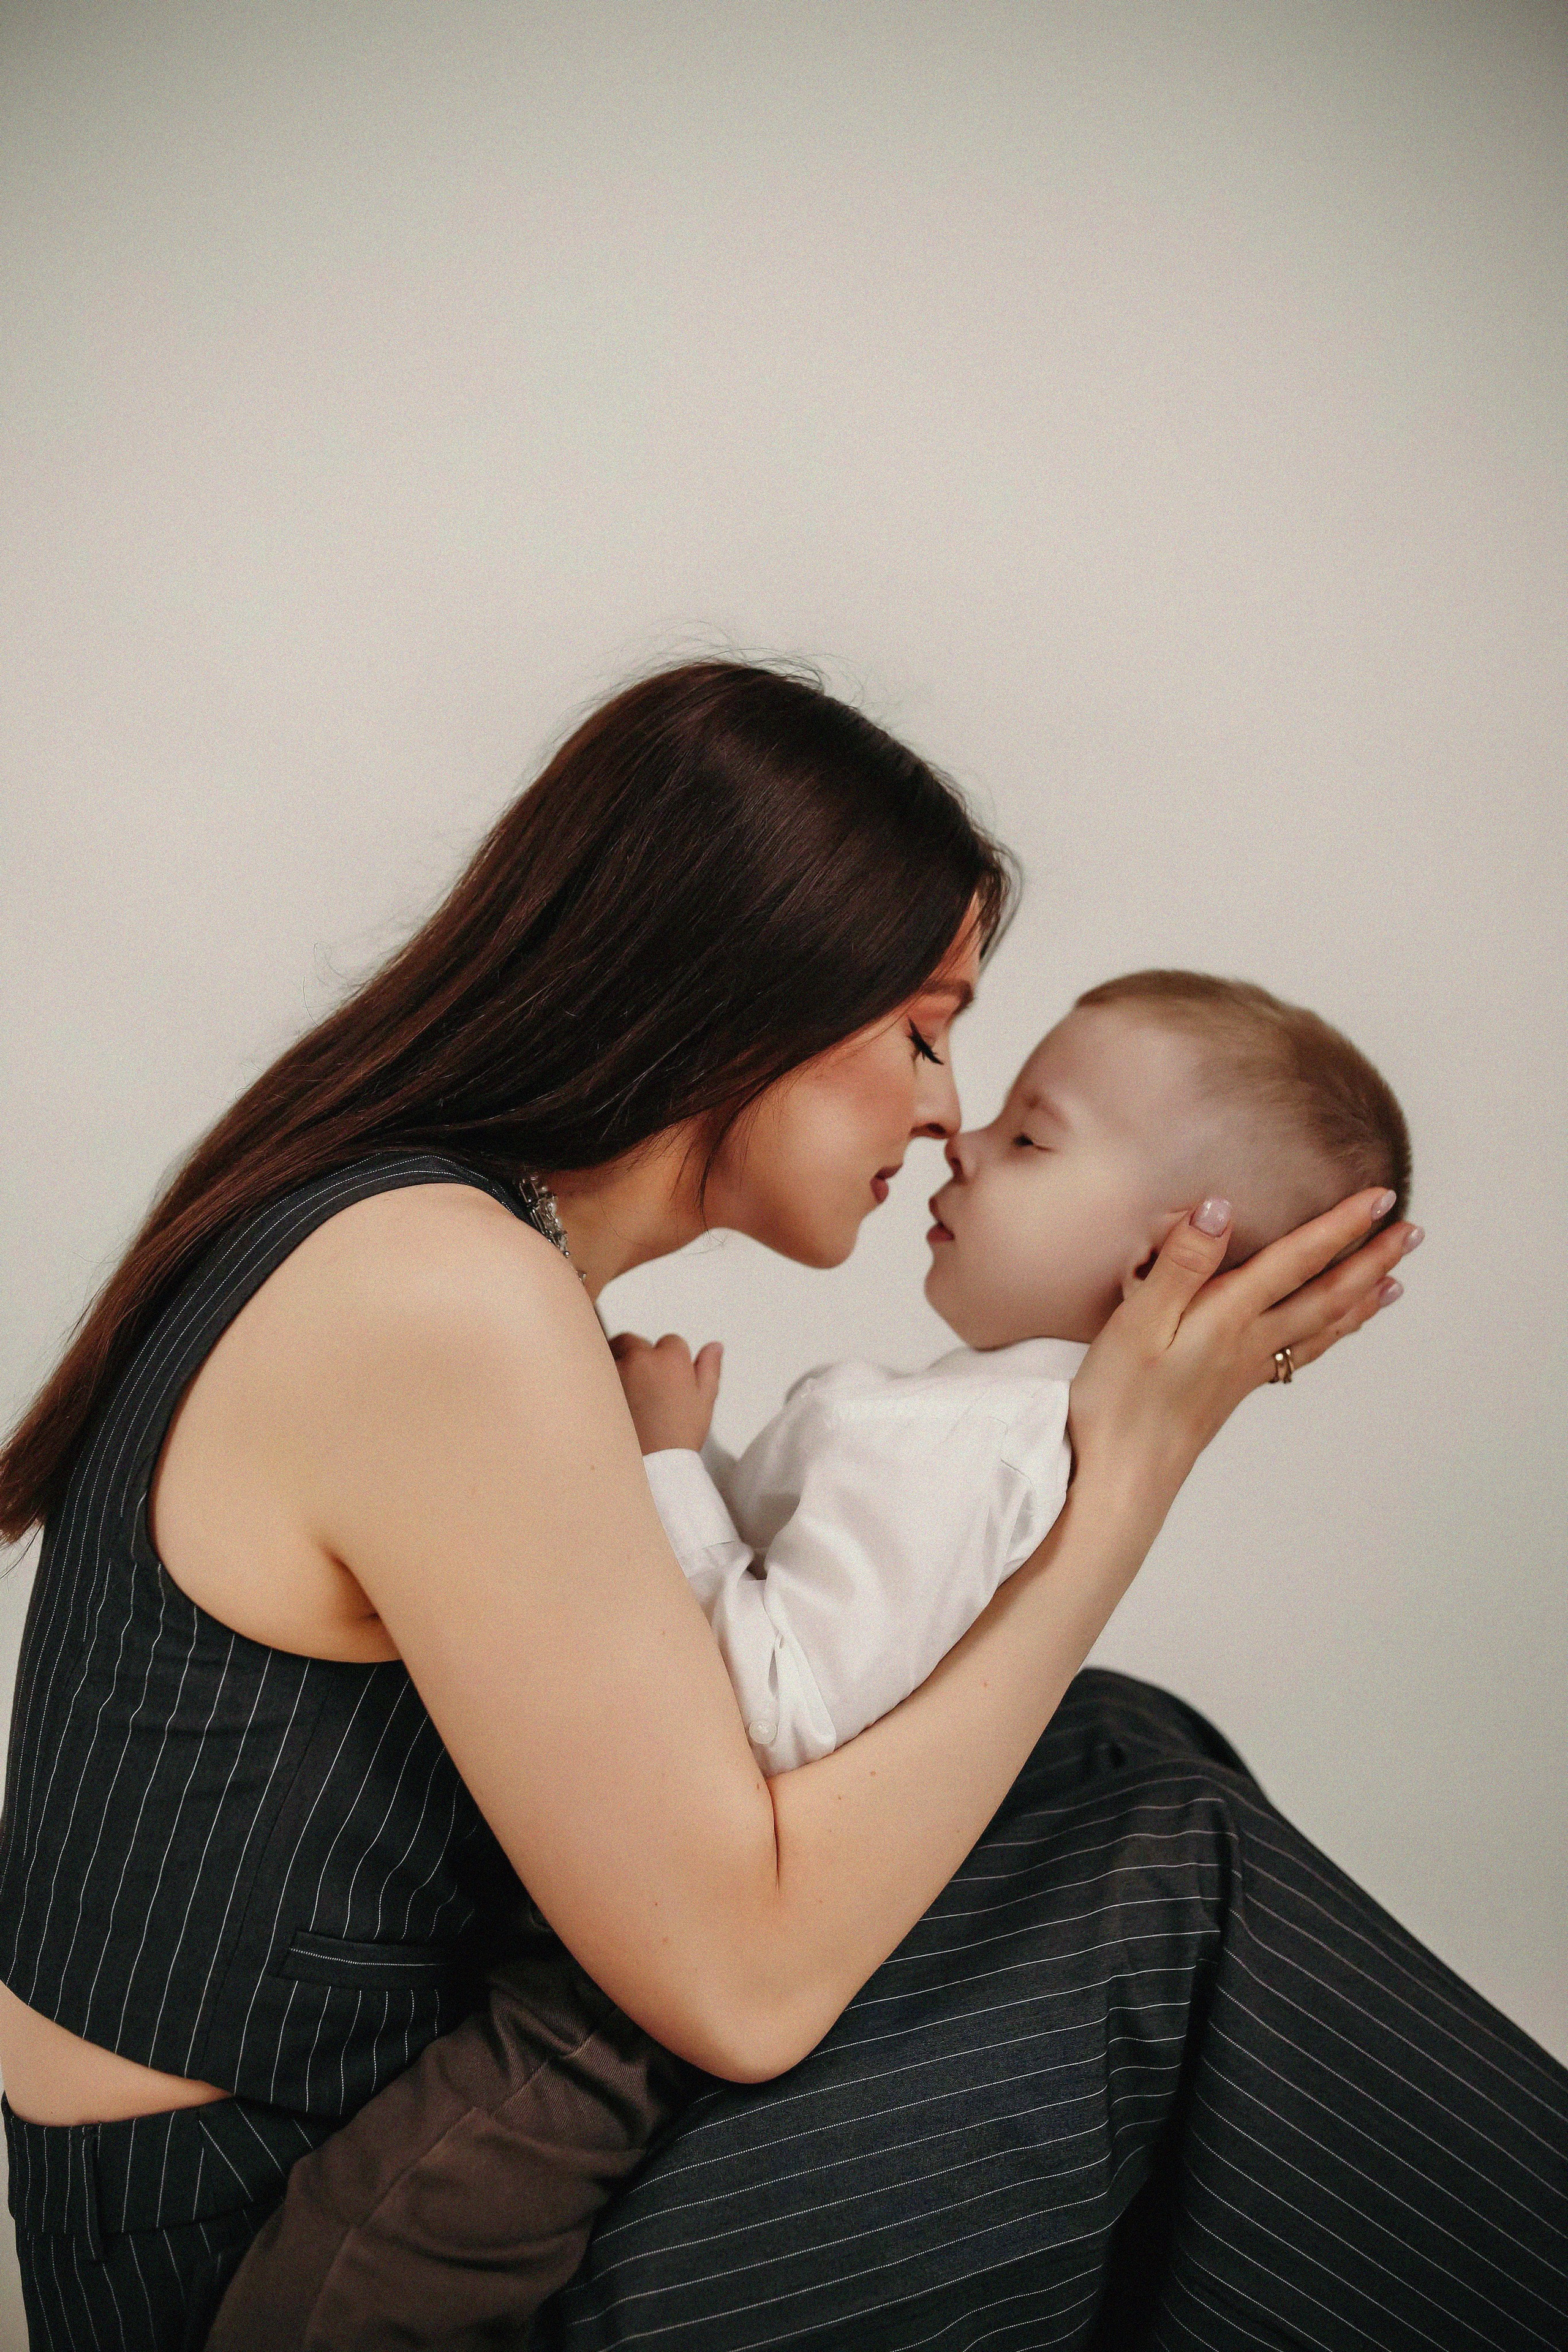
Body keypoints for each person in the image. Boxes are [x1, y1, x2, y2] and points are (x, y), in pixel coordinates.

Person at [0, 663, 1548, 2352]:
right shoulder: (439, 1294)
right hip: (292, 2261)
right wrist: (1131, 1473)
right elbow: (740, 1989)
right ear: (746, 998)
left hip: (389, 2140)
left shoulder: (429, 1241)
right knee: (1170, 1875)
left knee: (1116, 1750)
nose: (951, 1106)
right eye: (929, 1033)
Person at [204, 967, 1427, 2352]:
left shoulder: (958, 1446)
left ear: (1168, 1257)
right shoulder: (989, 1422)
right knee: (1151, 1758)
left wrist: (664, 1464)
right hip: (715, 1886)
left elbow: (774, 1710)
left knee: (428, 2207)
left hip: (659, 1943)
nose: (955, 1132)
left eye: (1028, 1138)